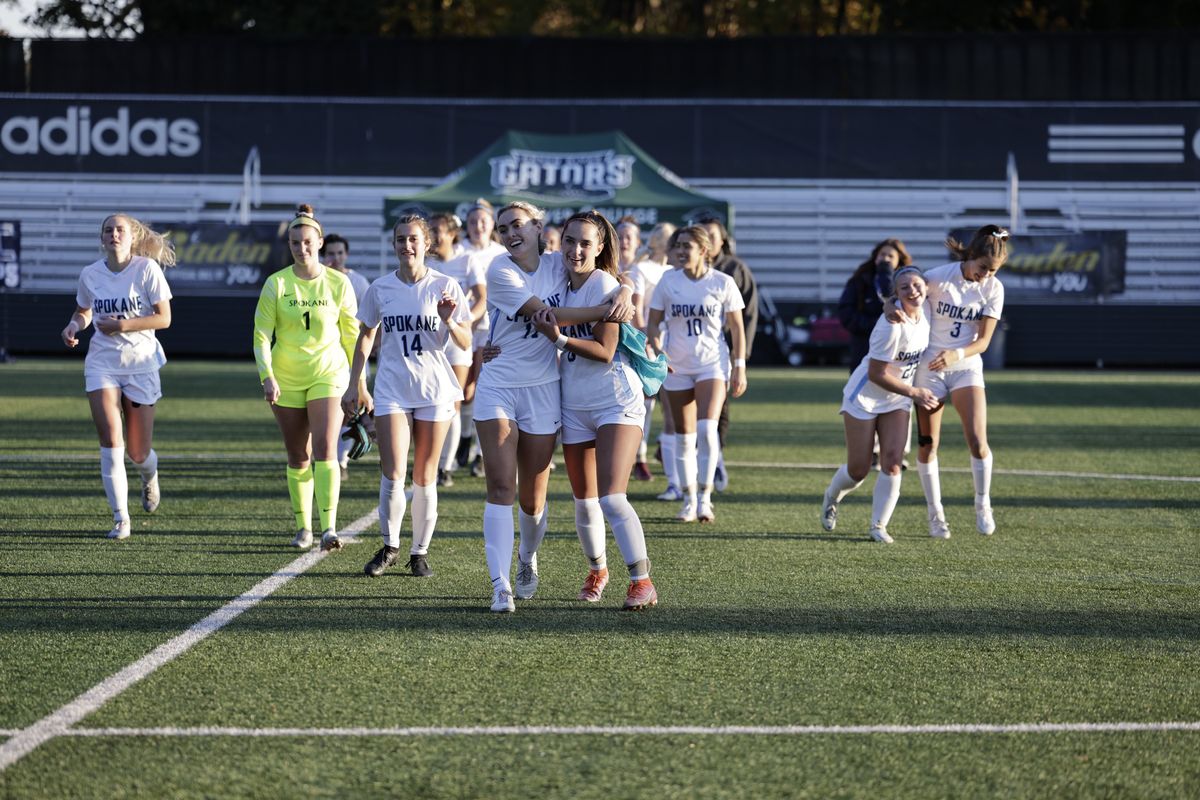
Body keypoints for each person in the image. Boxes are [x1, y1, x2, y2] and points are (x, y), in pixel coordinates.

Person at [475, 200, 633, 613]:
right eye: (504, 227)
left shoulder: (558, 262)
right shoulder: (499, 269)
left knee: (533, 499)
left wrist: (626, 291)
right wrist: (609, 310)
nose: (511, 232)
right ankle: (500, 585)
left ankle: (527, 558)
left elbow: (606, 273)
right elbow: (548, 316)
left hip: (545, 388)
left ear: (538, 228)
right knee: (501, 488)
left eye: (519, 225)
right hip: (499, 385)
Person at [529, 211, 657, 610]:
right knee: (584, 501)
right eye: (570, 241)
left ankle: (642, 580)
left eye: (586, 243)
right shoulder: (553, 278)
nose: (576, 250)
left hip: (615, 400)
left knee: (612, 499)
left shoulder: (603, 283)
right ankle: (598, 569)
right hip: (574, 402)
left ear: (600, 247)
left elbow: (603, 352)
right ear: (559, 242)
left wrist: (561, 338)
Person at [342, 214, 472, 578]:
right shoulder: (381, 288)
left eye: (414, 238)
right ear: (394, 244)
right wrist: (357, 382)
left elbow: (466, 341)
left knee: (425, 475)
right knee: (393, 471)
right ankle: (390, 546)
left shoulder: (445, 285)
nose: (407, 245)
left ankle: (419, 553)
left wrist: (448, 320)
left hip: (434, 390)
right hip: (393, 389)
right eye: (401, 239)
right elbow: (366, 334)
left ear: (426, 243)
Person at [60, 214, 175, 539]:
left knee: (138, 453)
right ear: (102, 238)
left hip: (140, 365)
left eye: (119, 230)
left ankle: (149, 475)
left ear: (131, 237)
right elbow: (83, 311)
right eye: (108, 230)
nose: (113, 234)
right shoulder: (90, 274)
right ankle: (121, 518)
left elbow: (164, 318)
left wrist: (122, 325)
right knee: (111, 441)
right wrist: (73, 326)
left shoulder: (146, 269)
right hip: (102, 364)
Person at [252, 204, 358, 552]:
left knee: (327, 448)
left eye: (308, 242)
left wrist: (360, 383)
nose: (302, 248)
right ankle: (304, 528)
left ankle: (328, 528)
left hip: (329, 374)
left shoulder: (339, 283)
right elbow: (262, 336)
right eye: (295, 242)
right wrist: (267, 376)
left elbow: (352, 337)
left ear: (320, 242)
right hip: (286, 378)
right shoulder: (276, 284)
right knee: (298, 454)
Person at [903, 225, 1009, 539]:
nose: (986, 276)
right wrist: (889, 305)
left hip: (965, 366)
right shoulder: (937, 277)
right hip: (929, 368)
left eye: (993, 271)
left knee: (977, 441)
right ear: (970, 256)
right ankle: (936, 516)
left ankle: (982, 503)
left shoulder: (993, 289)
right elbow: (903, 293)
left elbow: (984, 342)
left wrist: (956, 355)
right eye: (983, 268)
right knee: (928, 445)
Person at [820, 266, 938, 543]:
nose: (913, 291)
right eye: (905, 287)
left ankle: (878, 526)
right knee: (858, 469)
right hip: (865, 397)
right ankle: (831, 496)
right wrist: (915, 392)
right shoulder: (891, 325)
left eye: (917, 284)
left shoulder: (928, 309)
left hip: (897, 399)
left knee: (893, 462)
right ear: (895, 293)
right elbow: (876, 374)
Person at [647, 225, 747, 524]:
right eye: (677, 245)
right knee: (684, 436)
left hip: (711, 365)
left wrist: (739, 366)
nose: (679, 251)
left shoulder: (722, 282)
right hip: (676, 365)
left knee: (706, 429)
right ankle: (689, 500)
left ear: (704, 251)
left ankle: (705, 499)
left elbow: (738, 328)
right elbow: (653, 322)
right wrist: (656, 348)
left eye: (686, 246)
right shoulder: (668, 280)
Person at [428, 211, 488, 487]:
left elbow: (482, 298)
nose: (433, 235)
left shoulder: (467, 259)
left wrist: (466, 321)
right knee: (430, 402)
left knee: (454, 400)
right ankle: (432, 459)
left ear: (452, 233)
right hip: (429, 341)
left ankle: (445, 466)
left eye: (437, 230)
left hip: (457, 338)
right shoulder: (424, 261)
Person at [699, 217, 757, 493]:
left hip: (719, 352)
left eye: (713, 235)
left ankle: (715, 459)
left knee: (716, 410)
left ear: (723, 240)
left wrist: (740, 358)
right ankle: (684, 469)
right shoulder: (683, 269)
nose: (708, 241)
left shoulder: (734, 270)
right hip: (685, 353)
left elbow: (745, 318)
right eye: (704, 235)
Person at [616, 216, 670, 483]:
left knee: (657, 401)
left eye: (630, 237)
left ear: (639, 242)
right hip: (634, 339)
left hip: (662, 339)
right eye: (621, 236)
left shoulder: (662, 269)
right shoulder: (624, 268)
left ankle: (657, 447)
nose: (625, 242)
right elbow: (636, 312)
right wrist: (645, 339)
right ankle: (637, 455)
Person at [457, 199, 508, 478]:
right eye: (473, 221)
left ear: (492, 226)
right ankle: (465, 436)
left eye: (484, 221)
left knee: (485, 390)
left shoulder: (501, 253)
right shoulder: (460, 252)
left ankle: (479, 451)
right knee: (465, 391)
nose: (478, 226)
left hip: (493, 330)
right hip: (465, 328)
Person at [322, 233, 373, 480]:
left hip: (352, 355)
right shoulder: (317, 280)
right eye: (331, 253)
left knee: (348, 409)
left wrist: (370, 347)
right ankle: (324, 457)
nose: (336, 258)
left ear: (347, 254)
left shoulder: (359, 282)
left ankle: (340, 461)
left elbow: (372, 321)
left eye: (340, 253)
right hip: (325, 357)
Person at [838, 239, 913, 370]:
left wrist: (887, 275)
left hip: (894, 350)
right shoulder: (859, 280)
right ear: (875, 257)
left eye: (891, 256)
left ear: (899, 260)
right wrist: (875, 326)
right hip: (863, 347)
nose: (885, 259)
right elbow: (846, 313)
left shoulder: (908, 284)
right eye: (882, 254)